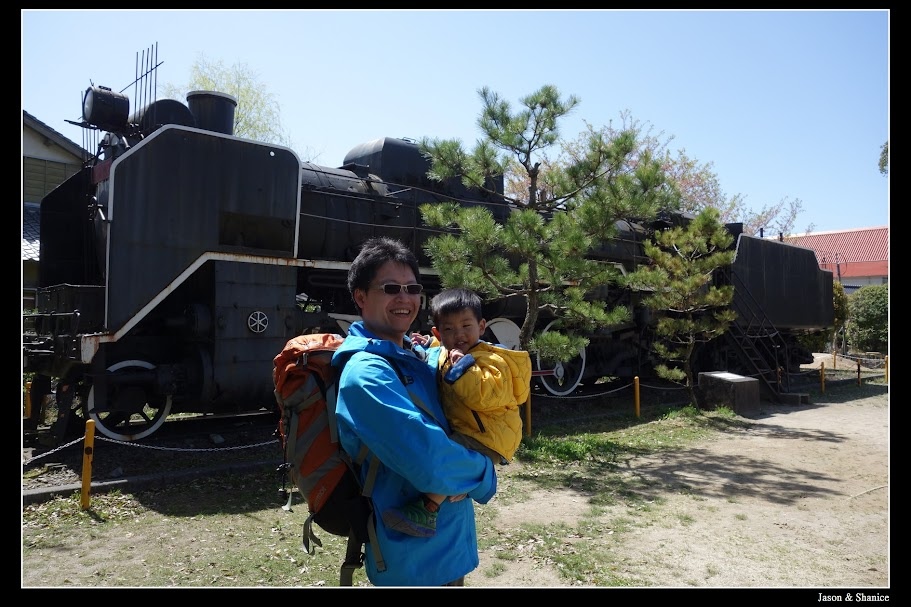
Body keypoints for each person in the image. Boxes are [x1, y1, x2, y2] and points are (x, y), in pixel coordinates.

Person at [331, 237, 498, 587]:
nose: (404, 298)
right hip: (415, 563)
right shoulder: (366, 374)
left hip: (447, 548)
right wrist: (484, 470)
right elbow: (430, 461)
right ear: (360, 297)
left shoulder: (413, 353)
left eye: (412, 288)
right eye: (390, 288)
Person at [381, 287, 531, 538]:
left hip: (489, 435)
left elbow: (483, 395)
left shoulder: (491, 361)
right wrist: (428, 345)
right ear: (438, 332)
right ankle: (459, 481)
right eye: (448, 330)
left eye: (466, 326)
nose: (458, 335)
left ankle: (427, 510)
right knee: (446, 451)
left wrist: (464, 368)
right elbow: (441, 352)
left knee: (447, 454)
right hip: (473, 429)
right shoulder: (449, 351)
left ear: (481, 326)